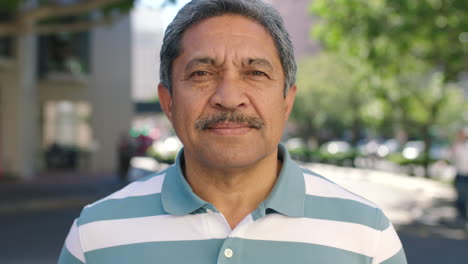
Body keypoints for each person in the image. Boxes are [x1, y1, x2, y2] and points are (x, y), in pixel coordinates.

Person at [59, 0, 407, 263]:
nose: (228, 98)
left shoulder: (368, 236)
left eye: (255, 74)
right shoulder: (94, 237)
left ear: (287, 101)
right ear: (168, 102)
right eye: (201, 74)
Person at [452, 128, 468, 219]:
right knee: (461, 198)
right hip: (461, 175)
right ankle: (462, 217)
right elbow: (452, 155)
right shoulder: (458, 146)